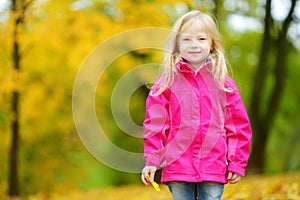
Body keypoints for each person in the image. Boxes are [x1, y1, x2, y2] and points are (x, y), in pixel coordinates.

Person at [141, 10, 252, 200]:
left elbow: (238, 127)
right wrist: (152, 160)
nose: (194, 45)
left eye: (201, 39)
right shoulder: (165, 84)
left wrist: (236, 163)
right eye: (186, 40)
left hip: (213, 165)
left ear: (212, 45)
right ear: (177, 45)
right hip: (178, 166)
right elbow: (155, 126)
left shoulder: (224, 85)